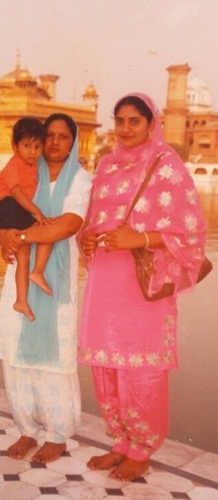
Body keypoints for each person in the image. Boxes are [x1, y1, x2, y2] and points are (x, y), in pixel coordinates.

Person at [78, 93, 207, 481]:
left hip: (143, 283)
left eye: (135, 121)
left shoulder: (167, 166)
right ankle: (119, 440)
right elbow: (96, 220)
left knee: (141, 368)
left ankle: (142, 447)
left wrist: (140, 239)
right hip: (105, 279)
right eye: (119, 120)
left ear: (152, 124)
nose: (125, 128)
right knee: (107, 364)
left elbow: (191, 233)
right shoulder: (106, 165)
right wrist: (86, 237)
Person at [0, 113, 92, 464]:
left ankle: (57, 434)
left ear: (73, 141)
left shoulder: (80, 178)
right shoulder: (25, 170)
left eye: (62, 137)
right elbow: (1, 211)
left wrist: (19, 237)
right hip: (18, 271)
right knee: (17, 355)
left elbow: (68, 224)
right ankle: (26, 429)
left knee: (56, 357)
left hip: (55, 275)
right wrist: (2, 235)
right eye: (48, 135)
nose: (53, 142)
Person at [0, 116, 53, 321]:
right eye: (27, 146)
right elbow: (17, 194)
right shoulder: (14, 165)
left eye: (37, 146)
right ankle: (38, 271)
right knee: (47, 231)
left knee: (23, 256)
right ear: (14, 145)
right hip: (8, 207)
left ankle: (21, 301)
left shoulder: (34, 165)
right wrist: (36, 213)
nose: (32, 152)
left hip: (14, 210)